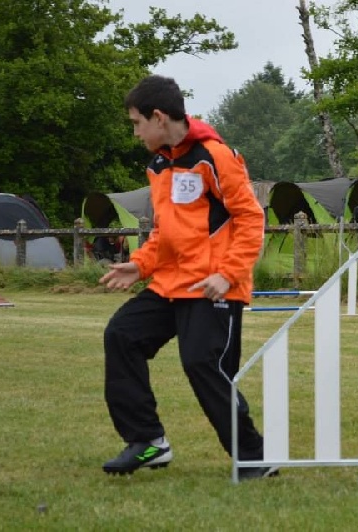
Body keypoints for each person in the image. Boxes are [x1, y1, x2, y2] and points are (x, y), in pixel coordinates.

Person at [99, 75, 276, 479]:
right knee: (122, 335)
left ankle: (253, 457)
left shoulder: (214, 156)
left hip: (214, 285)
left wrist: (228, 274)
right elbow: (166, 232)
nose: (135, 132)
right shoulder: (159, 164)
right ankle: (147, 442)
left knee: (202, 363)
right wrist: (141, 264)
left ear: (159, 117)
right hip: (170, 283)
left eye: (136, 123)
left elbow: (250, 218)